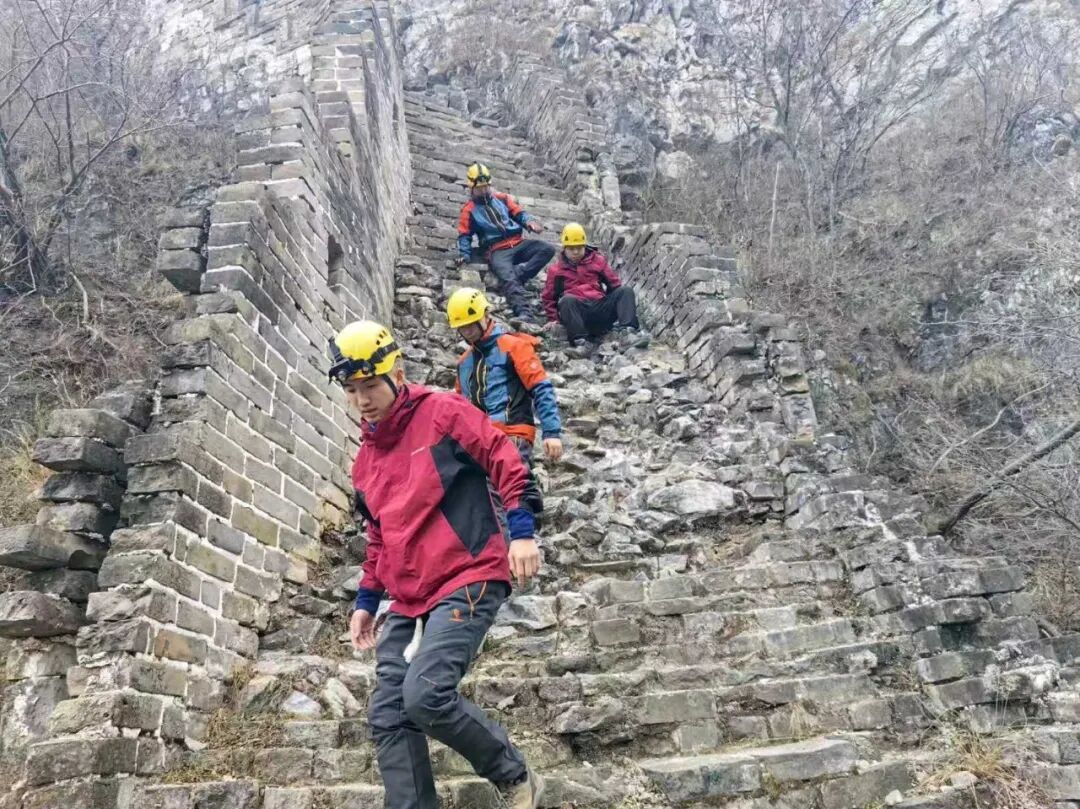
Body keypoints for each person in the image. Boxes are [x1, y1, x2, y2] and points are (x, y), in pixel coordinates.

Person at [330, 320, 545, 809]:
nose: (362, 399)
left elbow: (505, 459)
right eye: (352, 389)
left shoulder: (443, 412)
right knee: (388, 713)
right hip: (407, 594)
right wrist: (366, 601)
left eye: (370, 385)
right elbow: (378, 538)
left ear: (397, 374)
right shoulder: (365, 461)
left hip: (466, 575)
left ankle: (513, 776)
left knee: (425, 695)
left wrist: (523, 533)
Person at [446, 287, 563, 521]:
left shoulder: (514, 346)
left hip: (513, 433)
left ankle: (520, 541)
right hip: (479, 441)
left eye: (471, 324)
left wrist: (552, 432)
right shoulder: (464, 362)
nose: (467, 331)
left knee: (509, 493)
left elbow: (540, 387)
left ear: (485, 316)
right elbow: (460, 408)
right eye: (462, 328)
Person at [456, 162, 555, 322]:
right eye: (480, 188)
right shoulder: (469, 210)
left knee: (547, 249)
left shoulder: (502, 199)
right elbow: (464, 234)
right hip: (497, 250)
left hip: (517, 242)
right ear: (472, 188)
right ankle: (524, 313)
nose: (484, 190)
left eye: (486, 187)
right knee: (507, 278)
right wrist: (464, 255)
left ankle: (519, 274)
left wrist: (529, 223)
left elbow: (519, 213)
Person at [541, 222, 648, 350]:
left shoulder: (598, 260)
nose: (575, 252)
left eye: (579, 248)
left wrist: (610, 303)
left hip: (599, 307)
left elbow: (614, 285)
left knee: (625, 291)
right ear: (564, 248)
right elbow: (549, 298)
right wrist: (553, 319)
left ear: (585, 246)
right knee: (566, 300)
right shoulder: (556, 270)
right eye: (571, 249)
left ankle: (628, 333)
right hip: (577, 313)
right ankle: (580, 343)